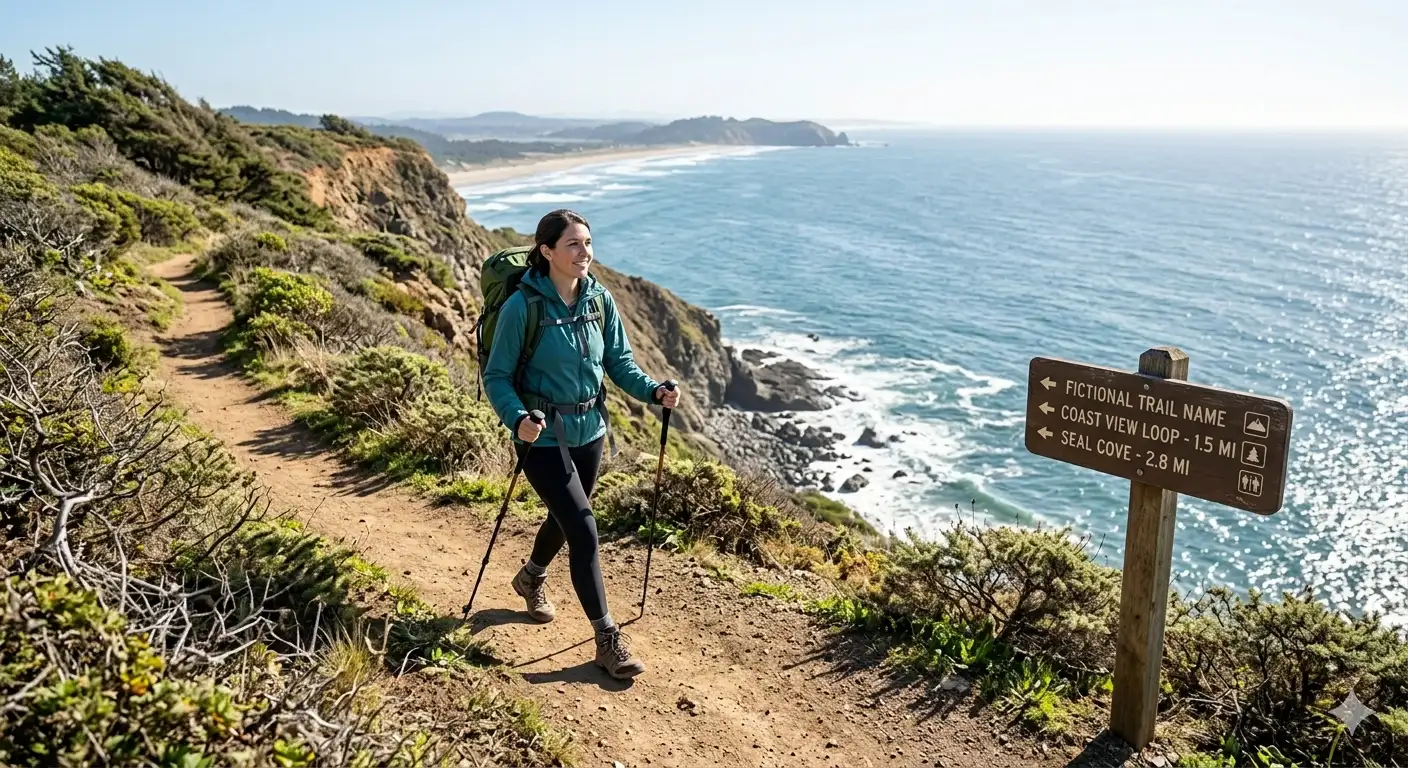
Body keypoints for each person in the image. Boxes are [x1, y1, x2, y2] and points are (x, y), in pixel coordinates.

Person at [482, 208, 682, 679]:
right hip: (543, 439)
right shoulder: (523, 307)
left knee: (564, 516)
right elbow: (497, 376)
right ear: (547, 251)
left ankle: (530, 576)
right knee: (584, 527)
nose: (584, 252)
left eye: (588, 243)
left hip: (591, 432)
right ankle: (607, 637)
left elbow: (620, 363)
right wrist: (517, 418)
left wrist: (653, 390)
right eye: (573, 244)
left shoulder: (600, 300)